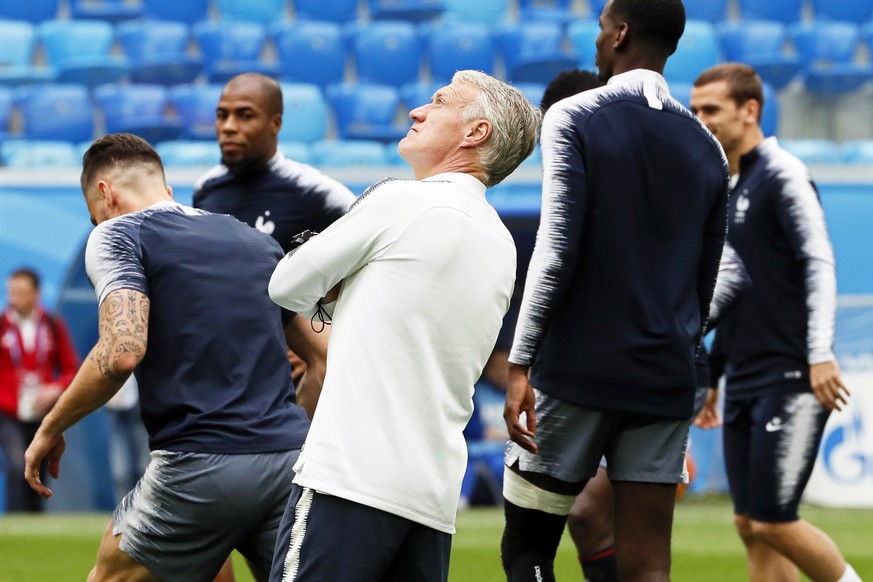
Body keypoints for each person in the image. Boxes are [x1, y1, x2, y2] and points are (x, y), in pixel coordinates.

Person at [267, 69, 541, 582]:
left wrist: (334, 291)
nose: (418, 111)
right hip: (431, 499)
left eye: (439, 102)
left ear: (475, 133)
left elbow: (285, 285)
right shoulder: (501, 244)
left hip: (348, 479)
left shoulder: (399, 201)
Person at [500, 0, 731, 580]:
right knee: (649, 565)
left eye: (602, 29)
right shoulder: (709, 147)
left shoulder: (574, 115)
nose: (598, 41)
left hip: (578, 368)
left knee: (527, 549)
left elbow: (556, 251)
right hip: (663, 375)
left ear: (621, 33)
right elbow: (705, 281)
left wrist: (522, 361)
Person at [24, 133, 311, 582]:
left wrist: (51, 426)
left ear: (105, 193)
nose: (98, 220)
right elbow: (325, 355)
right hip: (290, 459)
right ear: (168, 191)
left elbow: (121, 353)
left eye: (93, 213)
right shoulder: (254, 241)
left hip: (201, 462)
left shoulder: (116, 232)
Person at [690, 62, 860, 582]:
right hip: (743, 375)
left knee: (773, 520)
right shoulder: (728, 184)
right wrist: (715, 374)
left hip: (790, 375)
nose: (702, 121)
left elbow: (820, 262)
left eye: (711, 110)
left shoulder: (783, 173)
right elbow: (736, 294)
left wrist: (819, 353)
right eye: (695, 111)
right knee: (749, 523)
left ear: (750, 110)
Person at [0, 267, 78, 512]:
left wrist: (54, 389)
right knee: (16, 465)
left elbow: (71, 369)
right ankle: (13, 526)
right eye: (11, 292)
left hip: (43, 412)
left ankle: (33, 527)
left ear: (36, 294)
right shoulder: (2, 326)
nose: (15, 298)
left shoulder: (53, 325)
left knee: (38, 471)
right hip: (8, 413)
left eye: (21, 292)